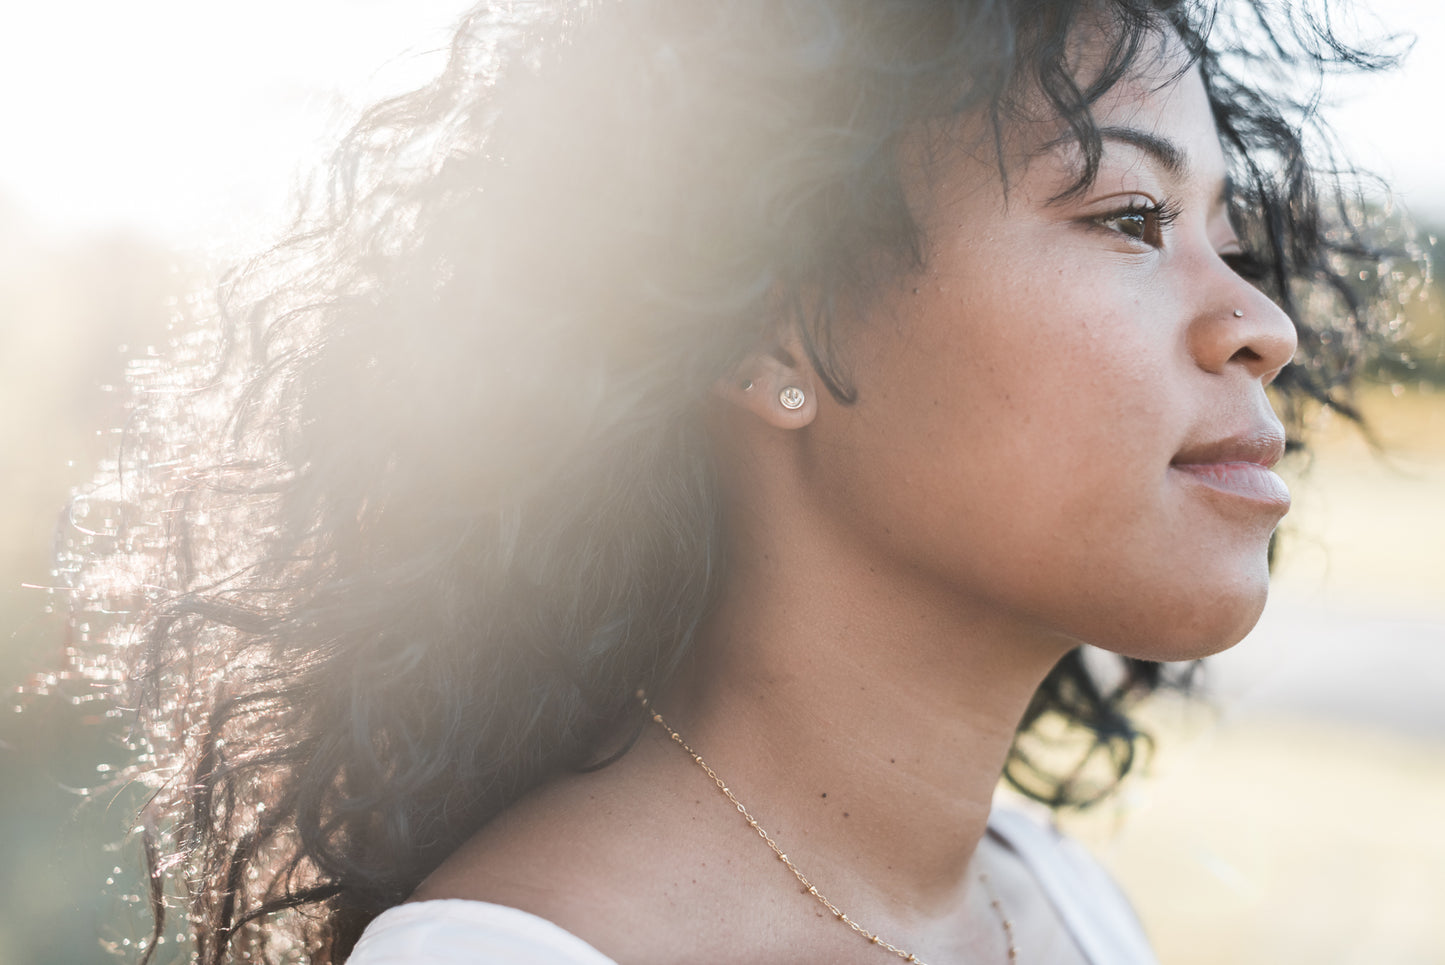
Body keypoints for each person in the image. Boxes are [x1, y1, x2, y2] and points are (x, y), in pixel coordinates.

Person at [64, 0, 1410, 963]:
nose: (1263, 325)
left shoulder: (1056, 905)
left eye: (1235, 238)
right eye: (1129, 218)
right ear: (768, 329)